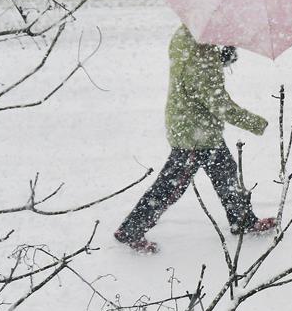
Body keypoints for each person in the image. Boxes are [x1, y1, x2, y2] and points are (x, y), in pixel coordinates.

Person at [114, 25, 276, 254]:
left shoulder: (186, 35)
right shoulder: (199, 53)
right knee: (171, 186)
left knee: (226, 173)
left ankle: (243, 221)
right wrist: (255, 123)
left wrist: (219, 59)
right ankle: (131, 230)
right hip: (194, 134)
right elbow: (217, 102)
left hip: (194, 125)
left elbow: (193, 72)